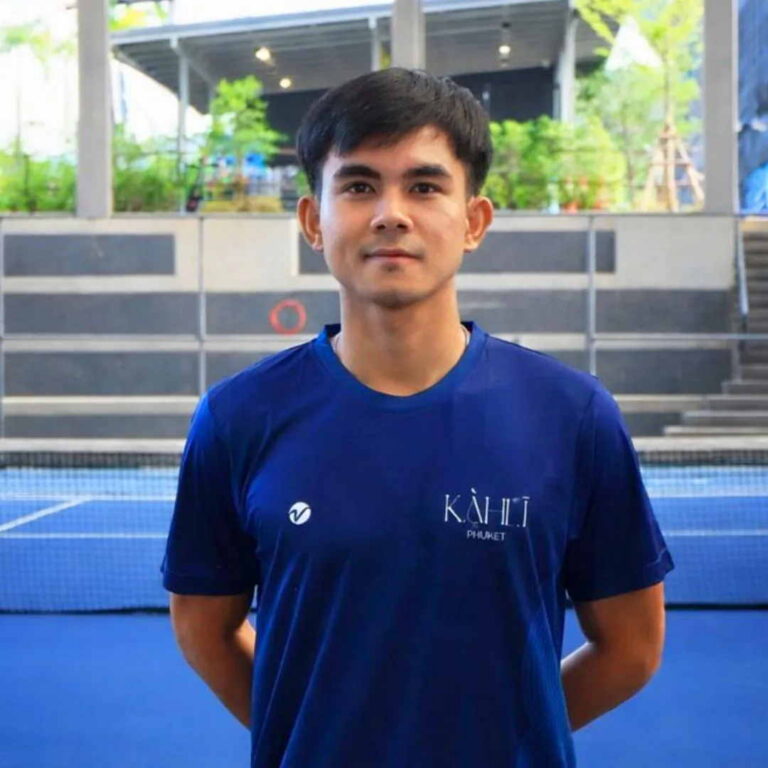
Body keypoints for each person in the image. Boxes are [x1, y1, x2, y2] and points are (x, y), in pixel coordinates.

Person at [162, 67, 674, 767]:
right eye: (358, 186)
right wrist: (313, 735)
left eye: (425, 187)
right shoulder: (237, 417)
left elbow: (633, 646)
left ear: (474, 221)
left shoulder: (574, 415)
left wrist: (508, 739)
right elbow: (203, 626)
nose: (391, 214)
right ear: (313, 221)